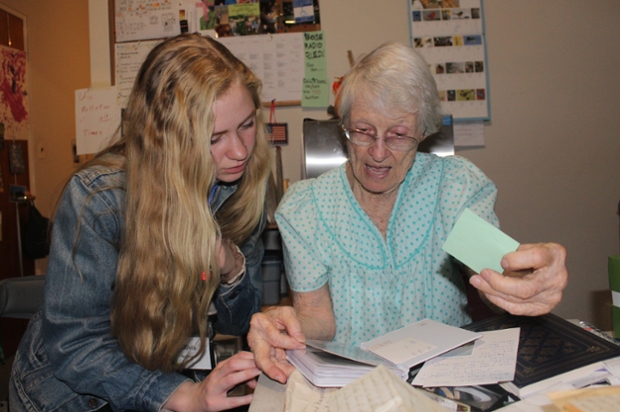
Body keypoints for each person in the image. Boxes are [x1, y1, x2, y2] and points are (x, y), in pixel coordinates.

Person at [247, 42, 569, 384]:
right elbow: (318, 320)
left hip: (445, 384)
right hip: (353, 388)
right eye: (363, 131)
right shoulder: (306, 208)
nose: (378, 153)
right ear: (344, 125)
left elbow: (498, 276)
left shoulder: (453, 188)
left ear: (423, 132)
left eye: (398, 135)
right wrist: (284, 323)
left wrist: (531, 280)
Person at [10, 33, 271, 412]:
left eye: (246, 125)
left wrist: (231, 268)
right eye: (214, 138)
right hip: (69, 397)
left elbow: (241, 320)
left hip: (162, 375)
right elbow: (75, 345)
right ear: (168, 140)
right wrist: (183, 395)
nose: (240, 150)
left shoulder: (241, 188)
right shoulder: (100, 199)